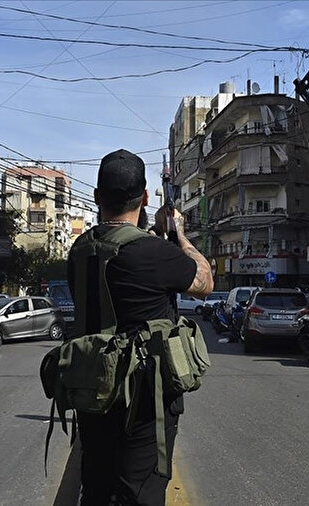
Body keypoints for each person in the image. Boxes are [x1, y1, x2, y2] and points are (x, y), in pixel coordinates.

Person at [68, 149, 213, 505]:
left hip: (92, 391)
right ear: (145, 197)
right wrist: (178, 233)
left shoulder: (79, 250)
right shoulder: (154, 252)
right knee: (140, 494)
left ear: (97, 197)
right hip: (144, 400)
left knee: (96, 489)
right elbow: (205, 281)